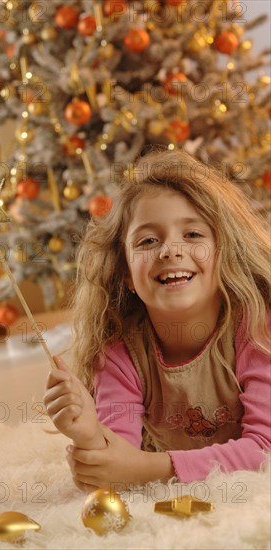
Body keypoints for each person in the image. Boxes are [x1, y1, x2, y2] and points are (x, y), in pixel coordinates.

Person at [43, 149, 271, 492]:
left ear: (223, 253)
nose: (170, 250)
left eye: (193, 235)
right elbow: (118, 464)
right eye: (148, 240)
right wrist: (89, 433)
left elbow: (265, 450)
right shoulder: (120, 355)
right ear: (126, 275)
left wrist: (154, 468)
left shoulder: (258, 330)